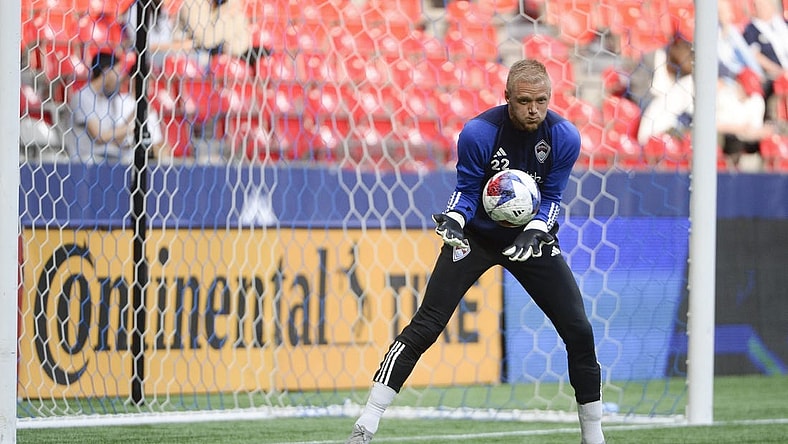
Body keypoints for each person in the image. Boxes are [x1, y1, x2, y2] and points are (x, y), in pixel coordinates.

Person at [345, 59, 605, 444]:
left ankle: (593, 436)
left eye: (542, 100)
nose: (534, 109)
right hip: (477, 238)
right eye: (524, 100)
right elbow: (467, 190)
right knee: (426, 325)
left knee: (579, 330)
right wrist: (453, 220)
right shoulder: (479, 133)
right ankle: (366, 423)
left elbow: (551, 200)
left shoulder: (564, 137)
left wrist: (534, 233)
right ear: (507, 98)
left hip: (530, 239)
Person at [66, 50, 170, 164]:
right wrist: (132, 128)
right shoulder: (83, 97)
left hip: (108, 158)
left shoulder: (105, 99)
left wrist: (135, 115)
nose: (119, 78)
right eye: (117, 72)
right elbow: (100, 136)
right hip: (87, 160)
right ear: (107, 71)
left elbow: (115, 137)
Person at [175, 0, 271, 69]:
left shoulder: (228, 3)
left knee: (263, 56)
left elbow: (240, 44)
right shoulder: (192, 3)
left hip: (225, 52)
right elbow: (206, 40)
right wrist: (224, 14)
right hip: (195, 55)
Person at [743, 0, 788, 116]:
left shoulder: (783, 24)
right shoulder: (751, 30)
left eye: (766, 5)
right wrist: (779, 71)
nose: (763, 8)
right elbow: (755, 55)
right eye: (759, 6)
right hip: (773, 74)